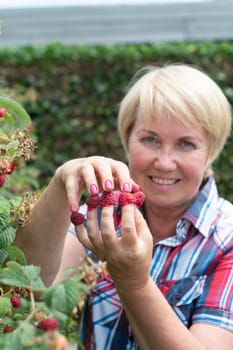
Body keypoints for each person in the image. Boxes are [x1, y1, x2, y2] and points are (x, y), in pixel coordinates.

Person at [14, 63, 233, 350]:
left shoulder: (225, 240)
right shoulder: (106, 213)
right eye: (150, 139)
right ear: (127, 140)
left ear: (211, 151)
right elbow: (26, 289)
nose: (165, 162)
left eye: (186, 144)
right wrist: (58, 189)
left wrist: (134, 282)